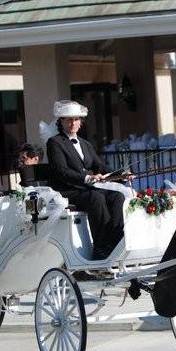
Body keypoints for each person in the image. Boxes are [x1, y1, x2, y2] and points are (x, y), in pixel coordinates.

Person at [46, 100, 126, 260]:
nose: (72, 123)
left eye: (76, 119)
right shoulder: (55, 143)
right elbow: (62, 171)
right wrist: (88, 177)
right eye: (68, 119)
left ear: (80, 122)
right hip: (67, 189)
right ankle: (100, 248)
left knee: (117, 197)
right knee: (96, 197)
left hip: (85, 188)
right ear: (60, 122)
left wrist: (121, 174)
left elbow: (99, 166)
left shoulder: (85, 143)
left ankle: (116, 241)